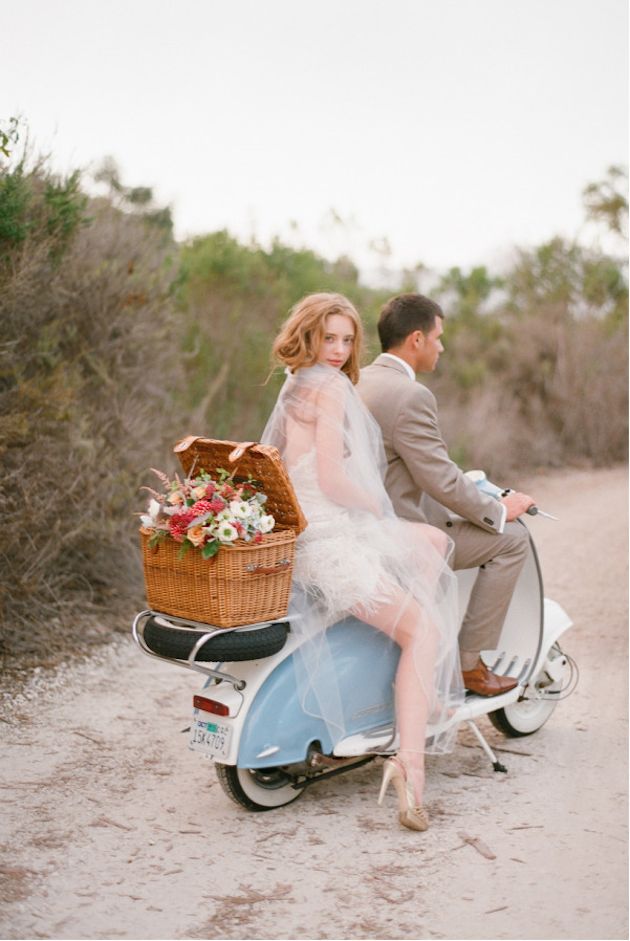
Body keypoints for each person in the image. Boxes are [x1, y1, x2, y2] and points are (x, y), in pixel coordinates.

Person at [261, 292, 464, 832]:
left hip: (313, 540)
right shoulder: (328, 388)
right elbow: (330, 480)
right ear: (308, 335)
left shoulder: (294, 381)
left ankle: (402, 693)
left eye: (347, 339)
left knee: (428, 543)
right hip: (333, 546)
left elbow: (286, 472)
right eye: (328, 337)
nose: (338, 349)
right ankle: (409, 767)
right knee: (424, 631)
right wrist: (375, 504)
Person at [358, 293, 535, 697]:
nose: (443, 346)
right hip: (399, 534)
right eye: (439, 337)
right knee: (512, 540)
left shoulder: (358, 379)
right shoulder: (410, 395)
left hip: (362, 524)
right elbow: (439, 478)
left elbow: (415, 469)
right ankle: (468, 664)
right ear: (416, 339)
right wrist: (498, 510)